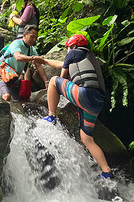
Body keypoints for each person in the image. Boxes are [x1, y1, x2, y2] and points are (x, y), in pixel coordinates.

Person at [41, 34, 112, 179]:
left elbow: (63, 77)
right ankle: (106, 172)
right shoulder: (88, 57)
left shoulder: (73, 53)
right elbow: (61, 64)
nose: (67, 51)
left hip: (85, 95)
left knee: (54, 80)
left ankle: (51, 116)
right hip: (97, 102)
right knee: (87, 139)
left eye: (67, 49)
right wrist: (44, 61)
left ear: (73, 46)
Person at [0, 25, 48, 102]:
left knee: (23, 102)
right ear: (24, 35)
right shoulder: (17, 44)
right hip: (3, 76)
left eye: (36, 38)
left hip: (15, 80)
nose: (34, 40)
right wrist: (33, 58)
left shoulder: (32, 49)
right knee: (6, 96)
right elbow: (18, 57)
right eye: (32, 37)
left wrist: (46, 81)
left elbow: (38, 65)